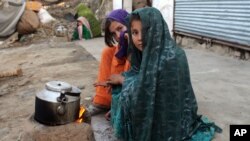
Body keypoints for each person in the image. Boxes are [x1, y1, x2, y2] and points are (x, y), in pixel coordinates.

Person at [108, 7, 222, 141]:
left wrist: (123, 81)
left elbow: (147, 89)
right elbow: (139, 75)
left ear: (157, 30)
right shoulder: (147, 52)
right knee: (119, 91)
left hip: (168, 120)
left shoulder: (171, 57)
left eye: (145, 31)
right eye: (134, 32)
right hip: (155, 104)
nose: (139, 38)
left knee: (125, 88)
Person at [87, 9, 130, 116]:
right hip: (124, 83)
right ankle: (103, 101)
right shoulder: (121, 45)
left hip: (132, 88)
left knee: (130, 57)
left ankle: (120, 102)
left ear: (129, 24)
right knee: (107, 52)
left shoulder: (139, 42)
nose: (118, 35)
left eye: (120, 28)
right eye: (113, 33)